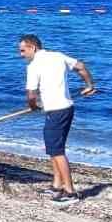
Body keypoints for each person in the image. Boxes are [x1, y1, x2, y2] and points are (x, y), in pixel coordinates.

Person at [18, 34, 96, 204]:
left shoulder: (33, 66)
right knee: (54, 148)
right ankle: (56, 185)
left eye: (23, 50)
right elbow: (81, 66)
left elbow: (31, 93)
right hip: (67, 108)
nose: (21, 54)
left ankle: (70, 192)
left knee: (56, 151)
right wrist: (89, 85)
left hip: (57, 111)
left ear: (33, 47)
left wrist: (32, 106)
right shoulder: (58, 56)